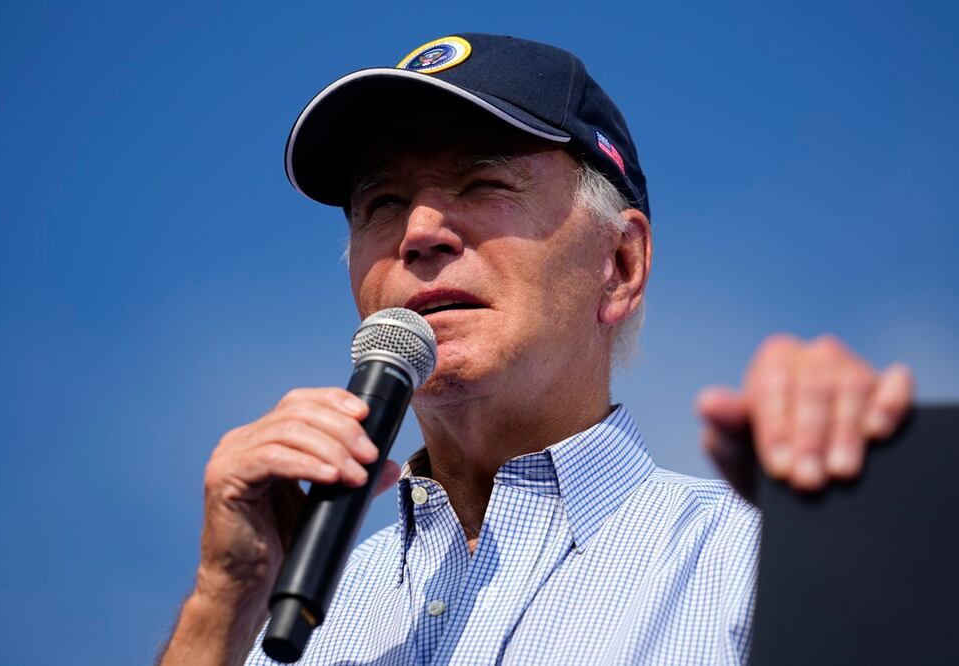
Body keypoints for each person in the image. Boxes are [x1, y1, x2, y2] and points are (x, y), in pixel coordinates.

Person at [159, 33, 914, 665]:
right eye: (382, 203)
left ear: (620, 266)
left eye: (484, 183)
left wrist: (880, 513)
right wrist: (223, 600)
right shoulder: (282, 628)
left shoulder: (754, 563)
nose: (418, 233)